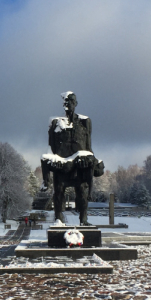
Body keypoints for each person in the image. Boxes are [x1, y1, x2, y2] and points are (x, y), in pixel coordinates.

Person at [40, 91, 104, 225]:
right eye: (65, 101)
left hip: (80, 165)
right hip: (62, 165)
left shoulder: (85, 122)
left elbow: (88, 147)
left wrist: (94, 161)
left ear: (76, 104)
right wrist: (52, 161)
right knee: (58, 192)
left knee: (82, 191)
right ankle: (58, 218)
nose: (67, 103)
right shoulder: (55, 122)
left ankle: (83, 219)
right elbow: (50, 147)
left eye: (71, 101)